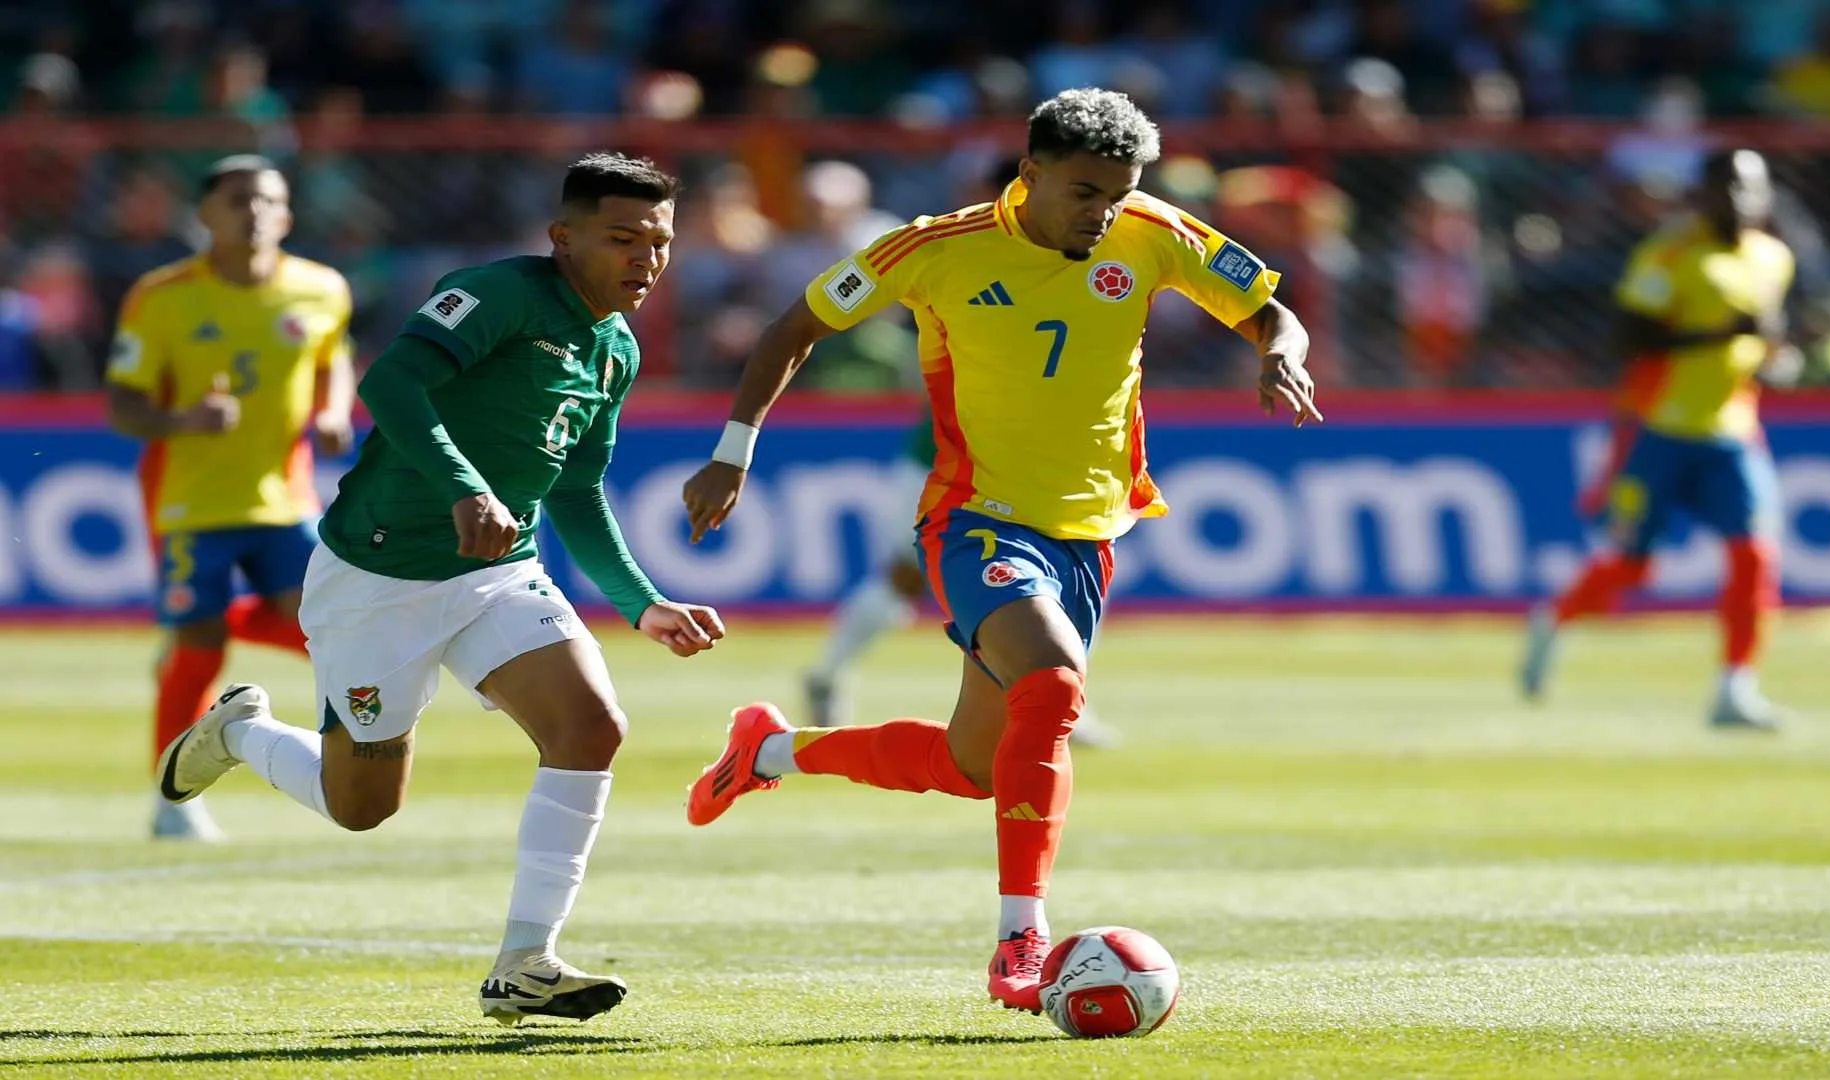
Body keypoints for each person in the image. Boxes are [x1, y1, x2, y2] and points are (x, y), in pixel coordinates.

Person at [682, 88, 1318, 1013]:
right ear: (1030, 173)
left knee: (973, 766)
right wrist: (731, 454)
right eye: (1085, 193)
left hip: (1089, 535)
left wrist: (1280, 352)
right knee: (1054, 685)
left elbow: (1271, 310)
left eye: (1118, 194)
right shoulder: (935, 249)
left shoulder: (1155, 230)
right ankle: (1020, 937)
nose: (1103, 215)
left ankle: (770, 752)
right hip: (974, 519)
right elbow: (798, 327)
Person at [153, 153, 726, 1025]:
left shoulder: (616, 348)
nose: (646, 259)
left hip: (498, 575)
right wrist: (466, 487)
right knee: (362, 808)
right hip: (376, 578)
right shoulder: (498, 294)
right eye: (623, 238)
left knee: (593, 725)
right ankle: (246, 734)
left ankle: (526, 962)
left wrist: (642, 601)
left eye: (660, 242)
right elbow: (392, 380)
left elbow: (573, 490)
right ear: (562, 238)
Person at [105, 155, 357, 842]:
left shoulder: (321, 288)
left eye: (268, 200)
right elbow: (123, 403)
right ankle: (173, 800)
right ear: (206, 214)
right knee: (200, 646)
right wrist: (183, 420)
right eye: (239, 199)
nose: (255, 212)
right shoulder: (161, 297)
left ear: (288, 216)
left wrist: (334, 411)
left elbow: (333, 357)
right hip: (192, 499)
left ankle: (196, 622)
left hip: (286, 497)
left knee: (325, 629)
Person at [1522, 149, 1796, 730]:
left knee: (1754, 555)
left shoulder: (1774, 258)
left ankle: (1734, 688)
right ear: (1704, 194)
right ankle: (1555, 619)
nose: (1741, 201)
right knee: (1630, 568)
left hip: (1733, 431)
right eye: (1728, 188)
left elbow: (1765, 343)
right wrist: (1717, 334)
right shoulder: (1669, 255)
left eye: (1751, 190)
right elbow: (1628, 340)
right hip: (1660, 429)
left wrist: (1778, 361)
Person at [800, 408, 1123, 748]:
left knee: (1070, 574)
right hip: (945, 460)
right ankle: (827, 675)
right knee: (905, 577)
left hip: (1023, 467)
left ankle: (1067, 702)